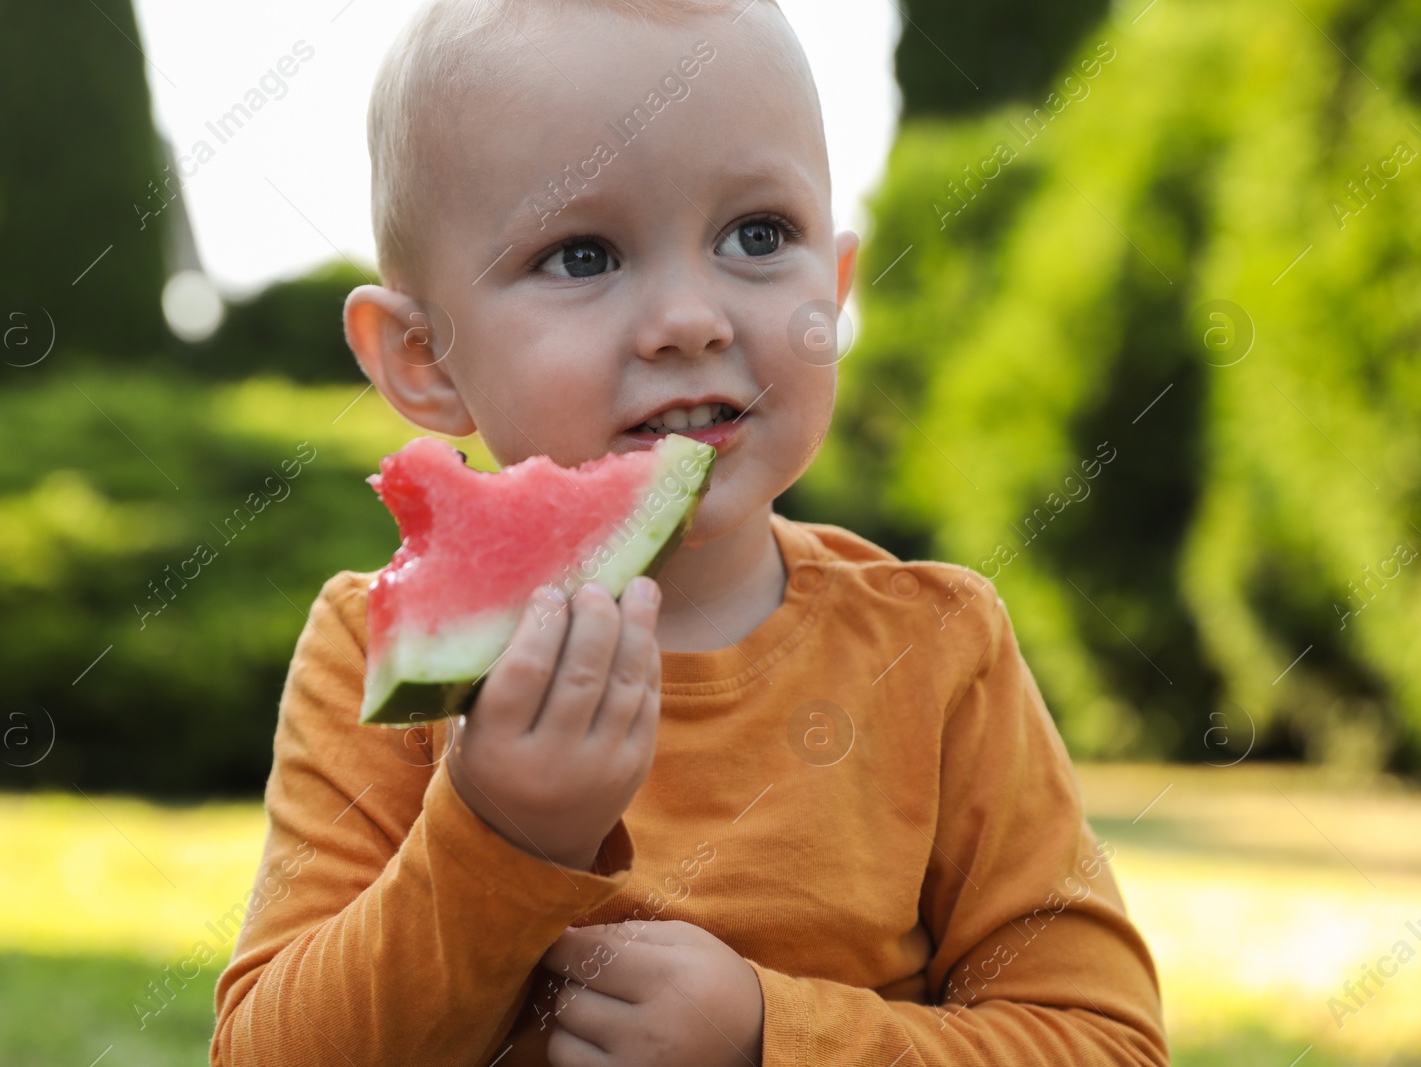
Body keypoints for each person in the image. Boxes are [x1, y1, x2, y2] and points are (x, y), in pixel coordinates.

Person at [210, 1, 1168, 1063]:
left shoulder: (936, 646)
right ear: (424, 360)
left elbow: (1103, 1041)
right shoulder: (373, 657)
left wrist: (774, 1033)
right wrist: (500, 833)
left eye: (758, 236)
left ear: (835, 292)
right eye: (580, 255)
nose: (691, 318)